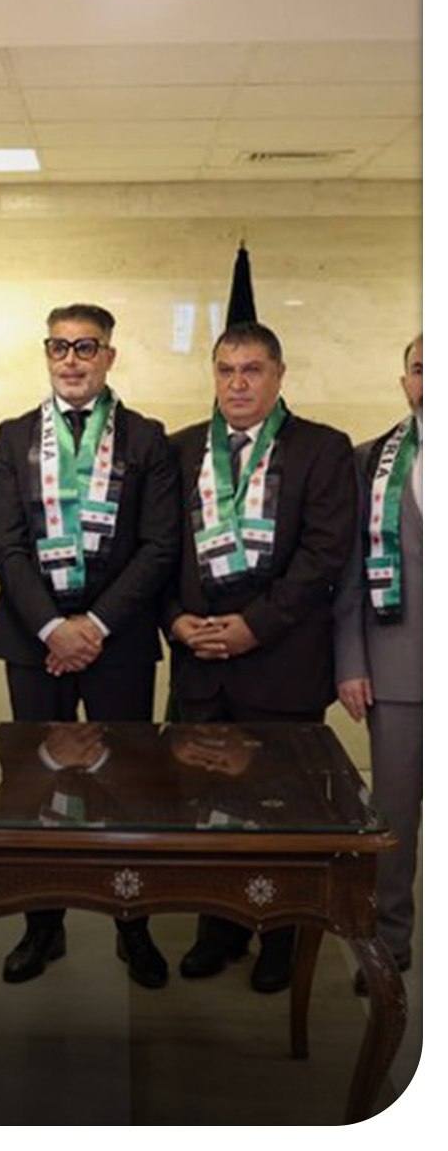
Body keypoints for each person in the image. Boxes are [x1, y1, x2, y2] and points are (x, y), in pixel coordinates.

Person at [0, 304, 180, 986]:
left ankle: (133, 924)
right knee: (35, 785)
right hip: (32, 638)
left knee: (127, 785)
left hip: (116, 641)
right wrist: (53, 628)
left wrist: (93, 626)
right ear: (46, 353)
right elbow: (4, 544)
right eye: (59, 346)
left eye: (85, 347)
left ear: (108, 356)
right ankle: (42, 925)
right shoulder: (12, 436)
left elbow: (159, 545)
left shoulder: (146, 438)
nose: (71, 360)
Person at [163, 320, 356, 993]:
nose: (237, 383)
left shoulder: (321, 449)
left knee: (281, 810)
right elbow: (159, 549)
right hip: (199, 666)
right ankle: (217, 929)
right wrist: (174, 619)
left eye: (251, 370)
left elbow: (323, 555)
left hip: (282, 665)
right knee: (206, 807)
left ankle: (280, 935)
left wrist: (255, 626)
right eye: (225, 370)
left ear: (278, 375)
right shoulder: (180, 449)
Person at [334, 334, 422, 995]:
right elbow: (349, 576)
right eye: (421, 368)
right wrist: (351, 661)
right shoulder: (368, 461)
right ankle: (390, 942)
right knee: (392, 819)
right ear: (404, 381)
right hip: (398, 669)